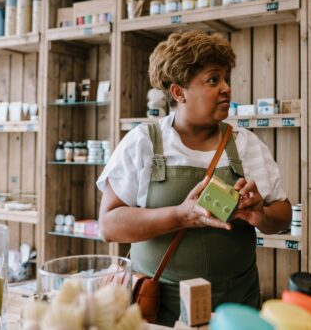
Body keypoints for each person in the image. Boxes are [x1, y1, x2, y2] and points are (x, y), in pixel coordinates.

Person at [97, 31, 292, 326]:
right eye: (213, 80)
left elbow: (284, 215)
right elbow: (109, 225)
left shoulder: (245, 144)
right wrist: (180, 215)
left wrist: (260, 214)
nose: (226, 88)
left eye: (227, 78)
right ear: (179, 92)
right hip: (158, 309)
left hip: (235, 308)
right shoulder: (143, 143)